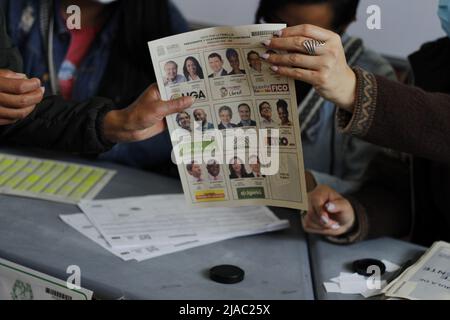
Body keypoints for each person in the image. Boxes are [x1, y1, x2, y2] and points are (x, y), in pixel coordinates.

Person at [261, 1, 450, 245]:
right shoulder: (429, 66)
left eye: (307, 37)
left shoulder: (369, 70)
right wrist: (354, 212)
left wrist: (354, 89)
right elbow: (406, 191)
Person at [2, 0, 189, 170]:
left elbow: (183, 133)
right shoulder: (13, 11)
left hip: (112, 180)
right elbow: (16, 115)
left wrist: (113, 132)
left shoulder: (157, 17)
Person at [256, 0, 396, 195]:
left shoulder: (373, 77)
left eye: (306, 38)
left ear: (344, 25)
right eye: (278, 25)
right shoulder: (244, 51)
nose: (288, 44)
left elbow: (370, 188)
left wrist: (310, 182)